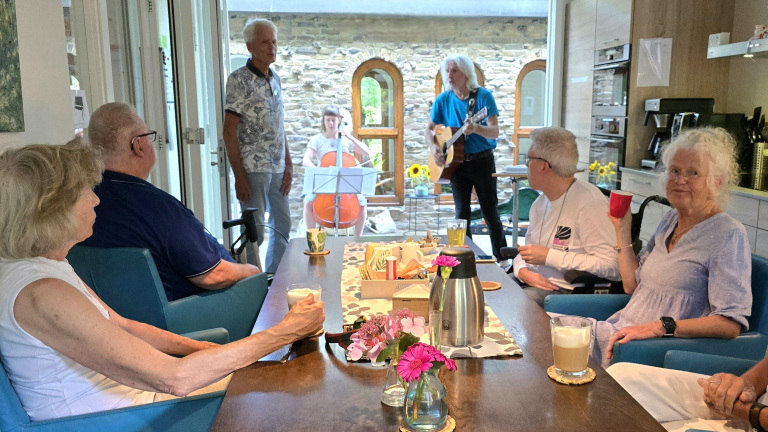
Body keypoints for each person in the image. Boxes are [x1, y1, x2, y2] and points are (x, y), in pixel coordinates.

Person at [0, 141, 324, 421]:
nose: (96, 200)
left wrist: (201, 348)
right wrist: (287, 331)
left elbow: (123, 326)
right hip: (125, 419)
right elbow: (176, 379)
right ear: (53, 210)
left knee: (275, 379)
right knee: (283, 392)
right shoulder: (44, 295)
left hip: (136, 402)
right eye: (85, 192)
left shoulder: (47, 265)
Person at [592, 127, 751, 368]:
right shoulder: (669, 220)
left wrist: (660, 326)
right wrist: (621, 229)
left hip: (647, 351)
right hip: (619, 332)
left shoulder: (728, 234)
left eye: (693, 173)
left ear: (716, 182)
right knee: (544, 328)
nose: (680, 180)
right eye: (675, 171)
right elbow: (631, 285)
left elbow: (729, 324)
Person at [82, 102, 259, 302]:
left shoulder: (83, 201)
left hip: (119, 317)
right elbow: (213, 276)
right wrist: (251, 271)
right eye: (149, 136)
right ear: (138, 145)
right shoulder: (157, 208)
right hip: (186, 317)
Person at [512, 127, 620, 307]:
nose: (526, 165)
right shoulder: (540, 202)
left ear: (543, 166)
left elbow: (613, 267)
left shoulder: (590, 203)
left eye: (528, 159)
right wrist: (521, 270)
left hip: (564, 292)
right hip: (532, 281)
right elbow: (527, 251)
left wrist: (549, 257)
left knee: (511, 305)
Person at [223, 18, 291, 274]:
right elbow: (228, 130)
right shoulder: (238, 80)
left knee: (282, 226)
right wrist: (239, 177)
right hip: (253, 168)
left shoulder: (276, 79)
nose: (272, 47)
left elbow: (279, 125)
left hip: (277, 166)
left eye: (274, 41)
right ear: (250, 46)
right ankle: (253, 282)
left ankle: (276, 277)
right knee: (255, 231)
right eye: (265, 42)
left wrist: (289, 165)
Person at [425, 54, 507, 260]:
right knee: (462, 216)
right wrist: (433, 147)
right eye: (447, 71)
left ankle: (504, 260)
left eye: (455, 71)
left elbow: (495, 131)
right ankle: (465, 259)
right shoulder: (443, 99)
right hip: (457, 164)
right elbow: (429, 130)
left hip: (482, 161)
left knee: (490, 213)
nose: (450, 75)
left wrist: (477, 128)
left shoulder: (483, 97)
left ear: (466, 73)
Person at [607, 359, 768, 432]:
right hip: (757, 405)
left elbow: (730, 325)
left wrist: (750, 412)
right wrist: (744, 387)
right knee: (621, 377)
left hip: (758, 417)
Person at [302, 105, 371, 236]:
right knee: (308, 203)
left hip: (345, 185)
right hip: (324, 182)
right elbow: (306, 160)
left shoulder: (345, 140)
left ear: (339, 120)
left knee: (362, 204)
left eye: (334, 120)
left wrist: (349, 136)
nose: (331, 123)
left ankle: (358, 238)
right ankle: (311, 236)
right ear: (324, 121)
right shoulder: (317, 139)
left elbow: (366, 152)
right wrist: (319, 171)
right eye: (328, 120)